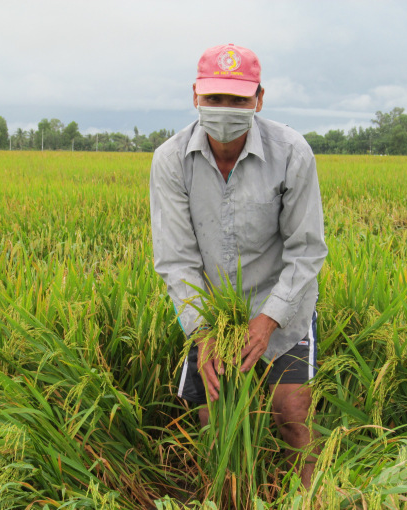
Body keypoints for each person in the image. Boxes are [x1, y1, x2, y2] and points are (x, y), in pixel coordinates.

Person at [149, 43, 328, 487]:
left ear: (259, 100)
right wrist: (203, 332)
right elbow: (176, 260)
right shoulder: (171, 160)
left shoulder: (291, 152)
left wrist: (268, 320)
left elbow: (306, 249)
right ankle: (231, 494)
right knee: (216, 421)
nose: (224, 110)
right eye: (214, 99)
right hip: (213, 317)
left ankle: (307, 498)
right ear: (196, 96)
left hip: (282, 307)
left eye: (238, 100)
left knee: (292, 416)